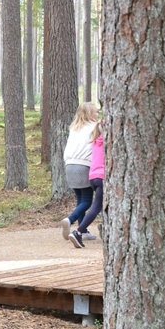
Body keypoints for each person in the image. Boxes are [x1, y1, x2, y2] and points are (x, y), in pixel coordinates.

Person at [61, 102, 99, 239]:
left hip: (69, 165)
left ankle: (83, 231)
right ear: (89, 114)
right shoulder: (94, 127)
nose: (97, 114)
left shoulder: (74, 128)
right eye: (95, 112)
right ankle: (70, 220)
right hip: (84, 165)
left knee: (80, 199)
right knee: (87, 200)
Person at [69, 120, 103, 249]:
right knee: (96, 207)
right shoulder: (107, 142)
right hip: (102, 177)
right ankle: (79, 231)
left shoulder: (94, 141)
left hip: (93, 177)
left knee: (103, 205)